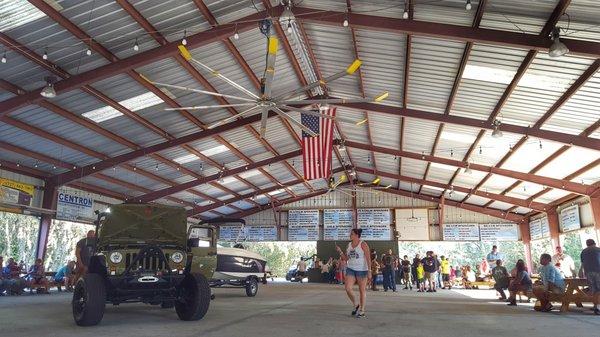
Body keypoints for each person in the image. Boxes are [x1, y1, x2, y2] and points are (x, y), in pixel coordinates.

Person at [336, 228, 372, 318]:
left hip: (362, 270)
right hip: (350, 269)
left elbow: (368, 258)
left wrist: (369, 271)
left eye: (352, 234)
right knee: (348, 288)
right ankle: (356, 304)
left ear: (356, 235)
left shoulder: (363, 244)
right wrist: (340, 251)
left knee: (362, 290)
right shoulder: (349, 245)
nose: (350, 235)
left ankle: (362, 310)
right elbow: (346, 258)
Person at [580, 239, 600, 315]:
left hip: (588, 272)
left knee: (593, 290)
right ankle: (597, 307)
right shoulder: (598, 250)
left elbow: (582, 263)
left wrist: (580, 271)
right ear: (594, 243)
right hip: (598, 271)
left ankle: (595, 307)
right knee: (599, 290)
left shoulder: (584, 251)